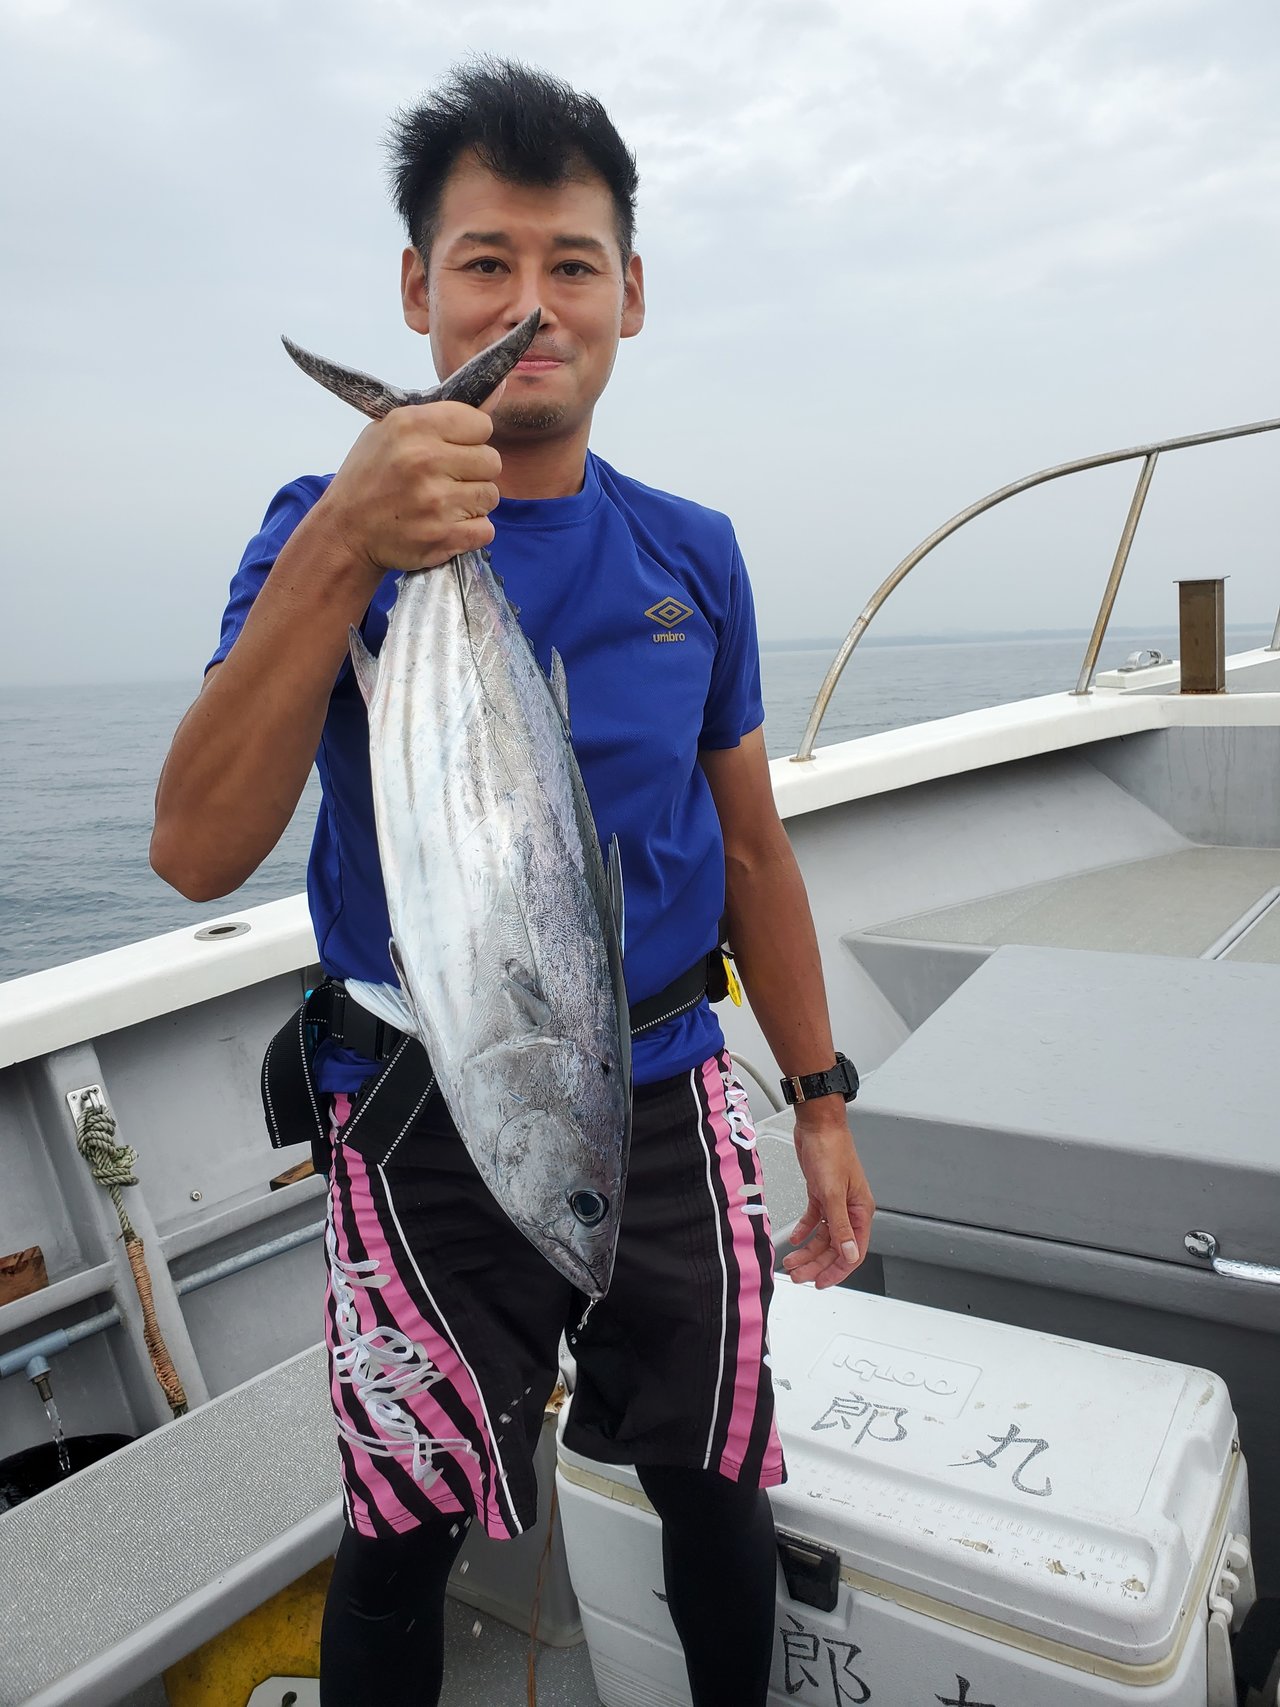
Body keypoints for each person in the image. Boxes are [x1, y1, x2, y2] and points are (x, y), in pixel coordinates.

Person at [151, 57, 875, 1707]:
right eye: (486, 261)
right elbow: (196, 852)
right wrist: (352, 532)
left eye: (571, 262)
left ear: (632, 290)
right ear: (417, 288)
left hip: (671, 1089)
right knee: (403, 1522)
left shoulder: (693, 548)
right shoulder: (318, 530)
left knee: (718, 1474)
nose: (529, 303)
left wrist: (819, 1102)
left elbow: (752, 845)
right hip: (416, 1100)